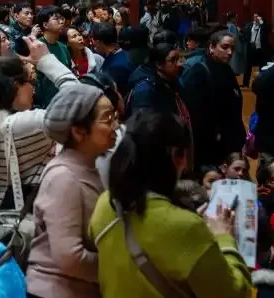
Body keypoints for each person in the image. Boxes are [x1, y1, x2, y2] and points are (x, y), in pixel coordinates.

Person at [89, 111, 252, 298]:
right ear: (177, 155)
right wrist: (223, 237)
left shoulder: (104, 202)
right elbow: (235, 293)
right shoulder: (186, 227)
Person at [0, 38, 76, 225]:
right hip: (19, 230)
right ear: (15, 86)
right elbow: (82, 102)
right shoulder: (24, 124)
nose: (33, 88)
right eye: (29, 81)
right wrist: (46, 61)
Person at [26, 83, 119, 298]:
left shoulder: (89, 167)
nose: (115, 125)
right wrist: (118, 266)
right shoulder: (64, 177)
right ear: (78, 131)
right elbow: (69, 258)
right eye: (107, 118)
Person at [179, 30, 244, 174]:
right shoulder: (199, 72)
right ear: (211, 47)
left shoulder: (226, 69)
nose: (230, 52)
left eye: (232, 48)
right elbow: (194, 115)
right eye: (225, 47)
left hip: (228, 146)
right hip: (209, 150)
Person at [33, 6, 71, 108]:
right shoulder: (37, 46)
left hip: (64, 101)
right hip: (45, 105)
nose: (61, 21)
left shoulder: (63, 47)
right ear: (45, 25)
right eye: (56, 19)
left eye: (61, 18)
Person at [90, 22, 135, 95]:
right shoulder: (121, 54)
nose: (92, 44)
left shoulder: (116, 67)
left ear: (98, 42)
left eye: (92, 41)